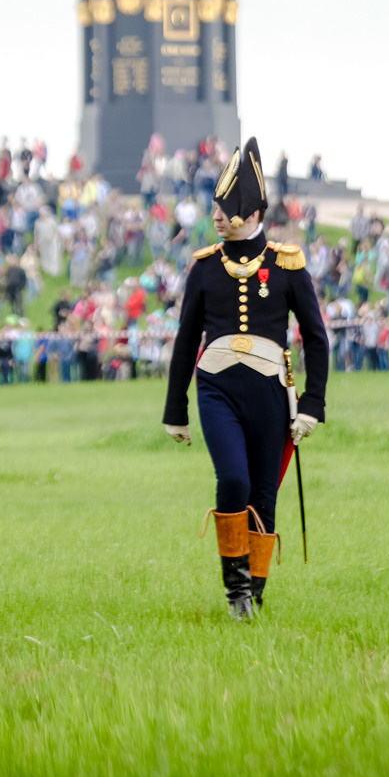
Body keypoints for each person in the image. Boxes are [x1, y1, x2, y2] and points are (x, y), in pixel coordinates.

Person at [162, 138, 329, 621]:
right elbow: (186, 339)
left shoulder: (287, 264)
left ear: (252, 212)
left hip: (271, 394)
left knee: (263, 494)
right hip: (216, 390)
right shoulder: (204, 267)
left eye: (226, 208)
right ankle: (234, 590)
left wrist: (312, 404)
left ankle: (255, 592)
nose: (216, 216)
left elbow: (316, 338)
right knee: (233, 478)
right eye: (216, 207)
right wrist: (176, 409)